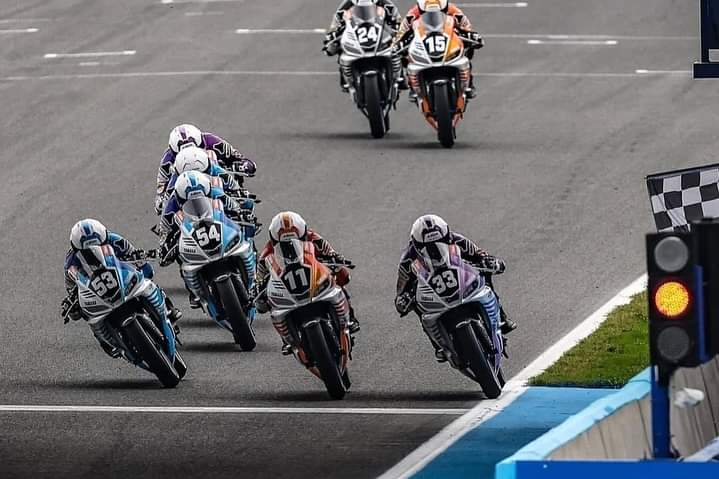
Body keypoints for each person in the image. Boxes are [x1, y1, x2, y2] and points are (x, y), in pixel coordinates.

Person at [394, 214, 516, 362]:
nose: (434, 249)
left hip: (461, 278)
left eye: (439, 241)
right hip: (433, 290)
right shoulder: (407, 258)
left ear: (446, 235)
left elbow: (481, 255)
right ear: (416, 244)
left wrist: (491, 262)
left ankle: (501, 316)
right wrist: (404, 300)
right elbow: (400, 291)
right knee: (417, 305)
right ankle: (438, 345)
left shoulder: (458, 240)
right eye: (428, 246)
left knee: (485, 273)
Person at [61, 219, 182, 358]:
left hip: (121, 276)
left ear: (103, 237)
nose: (92, 250)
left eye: (97, 244)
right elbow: (70, 285)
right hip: (98, 290)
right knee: (86, 314)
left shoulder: (114, 239)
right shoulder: (71, 261)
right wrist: (72, 301)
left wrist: (141, 262)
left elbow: (132, 252)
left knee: (147, 279)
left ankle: (167, 307)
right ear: (77, 248)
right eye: (87, 249)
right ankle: (105, 340)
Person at [253, 211, 360, 353]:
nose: (290, 243)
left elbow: (330, 252)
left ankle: (350, 316)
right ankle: (287, 339)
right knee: (264, 303)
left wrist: (336, 259)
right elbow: (259, 275)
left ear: (302, 233)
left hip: (313, 273)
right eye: (284, 241)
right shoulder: (267, 252)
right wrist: (258, 286)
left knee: (340, 275)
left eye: (294, 237)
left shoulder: (314, 238)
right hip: (287, 284)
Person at [157, 171, 250, 308]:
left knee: (244, 235)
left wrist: (241, 214)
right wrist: (165, 246)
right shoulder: (171, 206)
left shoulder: (215, 192)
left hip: (215, 226)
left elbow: (234, 207)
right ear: (180, 198)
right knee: (180, 257)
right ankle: (195, 293)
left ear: (206, 191)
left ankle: (252, 275)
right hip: (191, 233)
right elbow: (164, 232)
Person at [155, 124, 257, 215]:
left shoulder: (213, 142)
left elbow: (237, 157)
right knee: (170, 215)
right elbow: (161, 187)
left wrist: (244, 166)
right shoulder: (167, 161)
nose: (190, 156)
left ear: (201, 143)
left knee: (247, 202)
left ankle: (246, 221)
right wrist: (162, 201)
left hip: (217, 179)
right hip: (188, 192)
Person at [394, 0, 484, 99]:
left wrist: (472, 36)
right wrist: (398, 44)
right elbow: (401, 33)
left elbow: (467, 27)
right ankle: (412, 84)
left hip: (448, 42)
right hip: (423, 44)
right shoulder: (412, 14)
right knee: (404, 54)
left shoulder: (453, 11)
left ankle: (469, 82)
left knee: (467, 48)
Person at [168, 146, 260, 234]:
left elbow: (234, 193)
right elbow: (164, 226)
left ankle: (247, 241)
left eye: (202, 173)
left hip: (216, 222)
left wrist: (242, 213)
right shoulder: (174, 193)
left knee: (247, 203)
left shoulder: (216, 188)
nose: (196, 176)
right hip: (190, 232)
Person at [323, 0, 405, 91]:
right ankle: (345, 78)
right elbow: (336, 23)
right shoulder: (346, 6)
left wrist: (398, 30)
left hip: (381, 37)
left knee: (399, 47)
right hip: (357, 38)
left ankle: (400, 76)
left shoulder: (386, 4)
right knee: (340, 46)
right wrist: (332, 36)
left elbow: (398, 21)